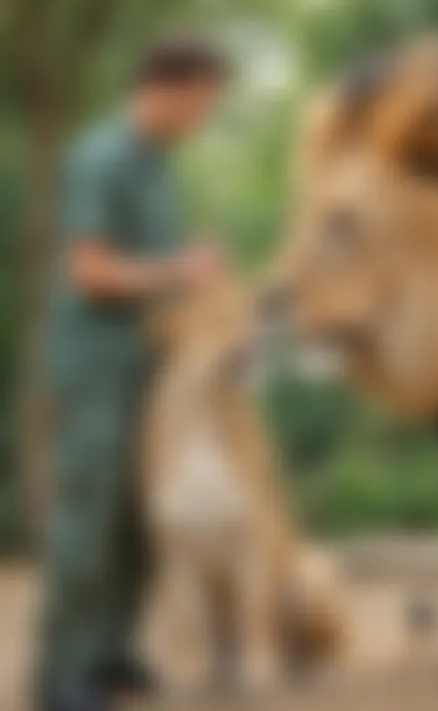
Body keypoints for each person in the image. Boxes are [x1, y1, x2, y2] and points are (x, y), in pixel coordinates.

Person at [38, 35, 229, 711]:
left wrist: (192, 272)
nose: (206, 116)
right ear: (168, 89)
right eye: (204, 101)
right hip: (96, 369)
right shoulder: (101, 157)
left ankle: (110, 655)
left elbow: (152, 268)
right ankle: (60, 679)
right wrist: (180, 270)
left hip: (150, 364)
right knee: (86, 525)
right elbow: (88, 273)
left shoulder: (158, 164)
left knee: (139, 522)